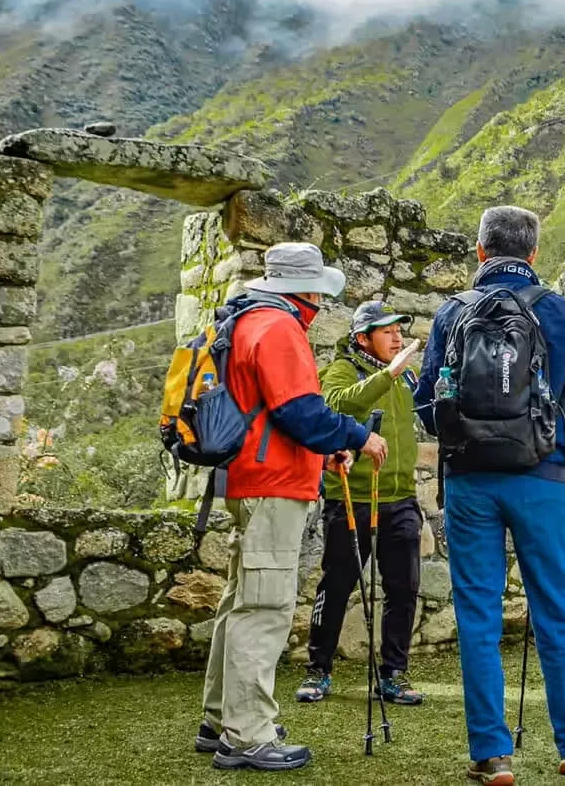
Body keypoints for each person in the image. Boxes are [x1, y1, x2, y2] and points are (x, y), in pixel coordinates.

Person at [416, 205, 565, 785]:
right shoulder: (563, 312)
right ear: (533, 254)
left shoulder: (452, 314)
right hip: (540, 478)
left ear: (479, 252)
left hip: (469, 479)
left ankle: (491, 755)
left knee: (477, 612)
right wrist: (545, 435)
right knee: (557, 608)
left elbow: (427, 406)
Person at [196, 242, 388, 772]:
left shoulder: (248, 320)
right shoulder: (278, 328)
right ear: (304, 288)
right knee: (264, 607)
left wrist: (321, 454)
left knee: (239, 601)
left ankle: (220, 719)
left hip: (252, 477)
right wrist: (355, 437)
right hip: (272, 484)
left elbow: (274, 417)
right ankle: (247, 735)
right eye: (318, 292)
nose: (319, 303)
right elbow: (301, 412)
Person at [296, 301, 426, 706]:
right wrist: (387, 375)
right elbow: (333, 405)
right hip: (351, 497)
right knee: (336, 586)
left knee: (403, 588)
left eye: (398, 330)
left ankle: (393, 674)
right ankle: (318, 670)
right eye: (386, 331)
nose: (397, 337)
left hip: (401, 498)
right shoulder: (344, 369)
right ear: (362, 338)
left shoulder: (407, 377)